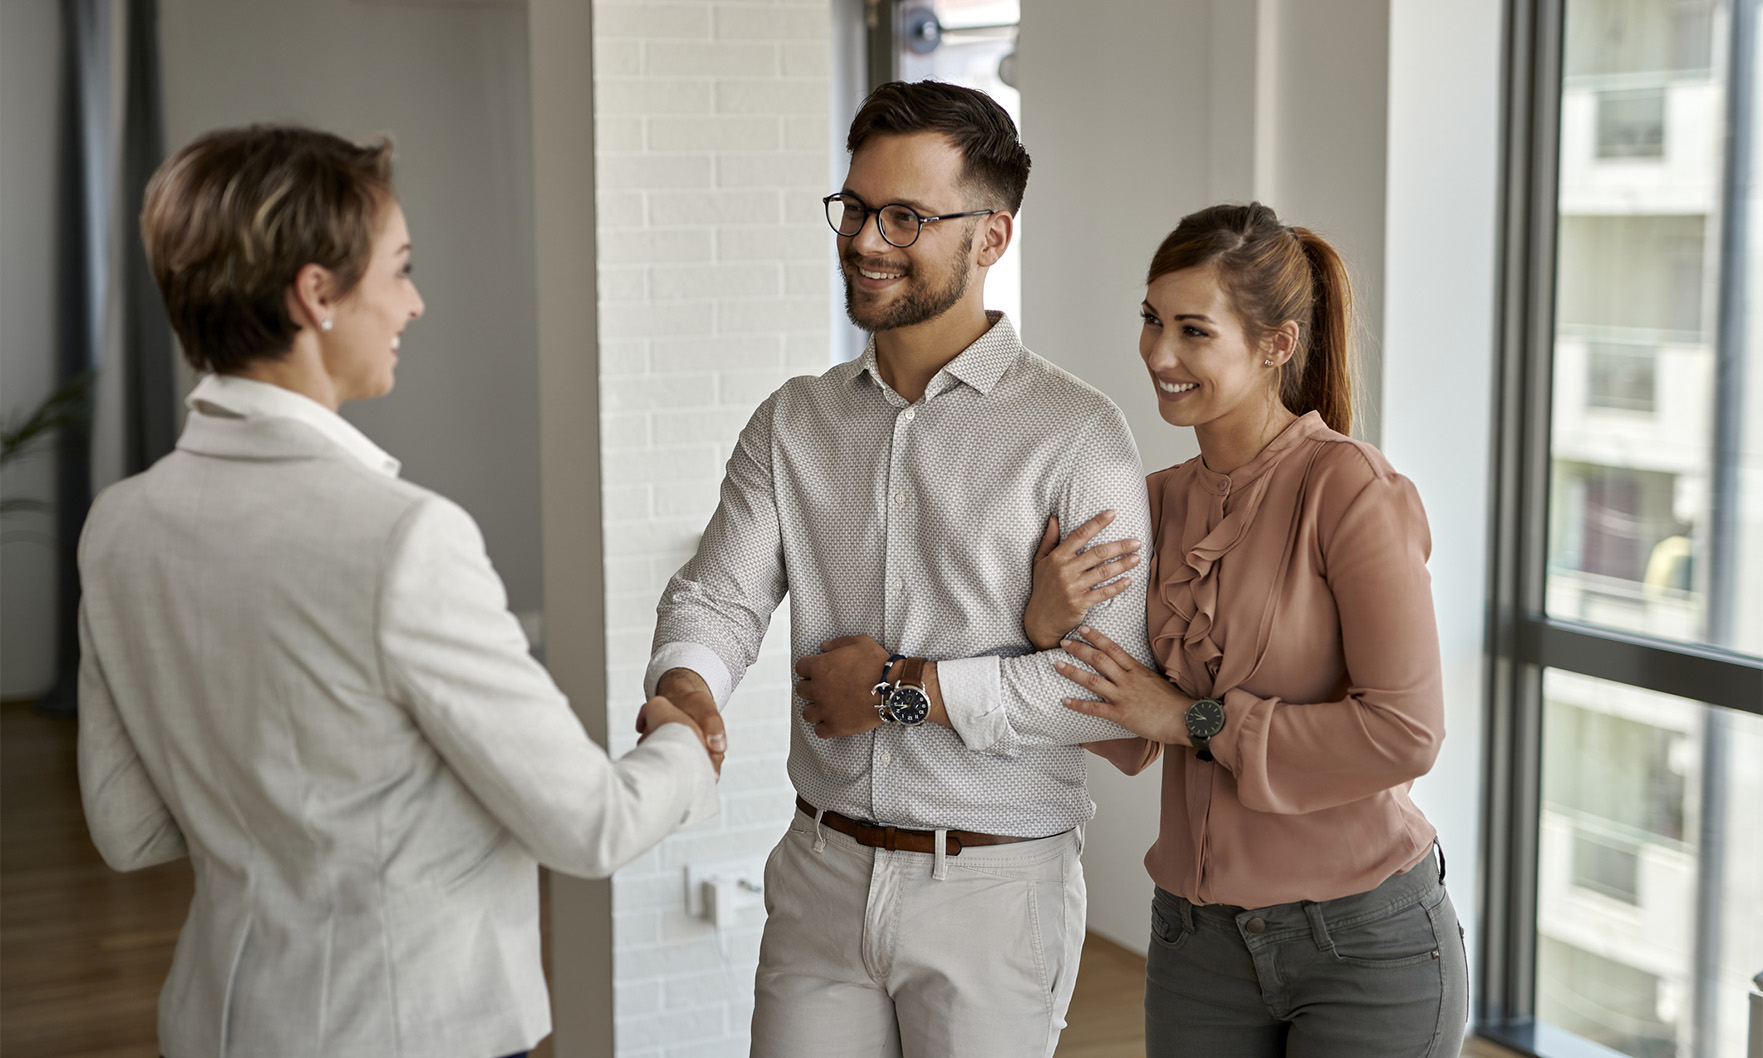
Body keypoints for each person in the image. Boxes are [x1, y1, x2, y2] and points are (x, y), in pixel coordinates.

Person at [77, 124, 719, 1058]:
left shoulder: (118, 524)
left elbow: (129, 829)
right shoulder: (404, 540)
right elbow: (592, 825)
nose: (413, 304)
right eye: (400, 270)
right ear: (316, 294)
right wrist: (686, 745)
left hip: (217, 1024)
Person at [645, 81, 1154, 1058]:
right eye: (855, 207)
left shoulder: (1076, 435)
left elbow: (1107, 696)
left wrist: (895, 691)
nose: (866, 239)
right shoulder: (792, 420)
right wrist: (686, 688)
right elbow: (719, 597)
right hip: (820, 871)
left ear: (991, 237)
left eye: (906, 217)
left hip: (993, 890)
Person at [1026, 202, 1468, 1057]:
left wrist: (1194, 720)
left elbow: (1406, 733)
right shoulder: (1148, 504)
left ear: (1276, 345)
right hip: (1196, 942)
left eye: (1193, 331)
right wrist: (1046, 627)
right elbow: (1129, 735)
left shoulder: (1352, 491)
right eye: (1151, 320)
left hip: (1364, 942)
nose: (1159, 354)